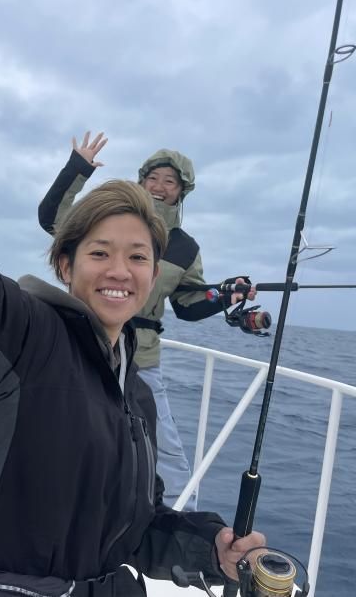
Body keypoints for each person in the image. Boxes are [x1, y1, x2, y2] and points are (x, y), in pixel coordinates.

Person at [0, 25, 265, 597]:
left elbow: (131, 532)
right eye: (99, 253)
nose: (120, 270)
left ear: (154, 272)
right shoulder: (22, 338)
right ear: (65, 266)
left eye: (138, 256)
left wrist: (210, 548)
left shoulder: (133, 392)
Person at [38, 133, 258, 511]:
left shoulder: (186, 248)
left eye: (169, 182)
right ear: (141, 181)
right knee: (62, 429)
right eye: (153, 178)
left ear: (182, 191)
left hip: (142, 360)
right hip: (80, 344)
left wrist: (224, 296)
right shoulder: (109, 220)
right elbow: (52, 217)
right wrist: (79, 167)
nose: (159, 187)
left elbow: (188, 303)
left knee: (163, 447)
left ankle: (174, 520)